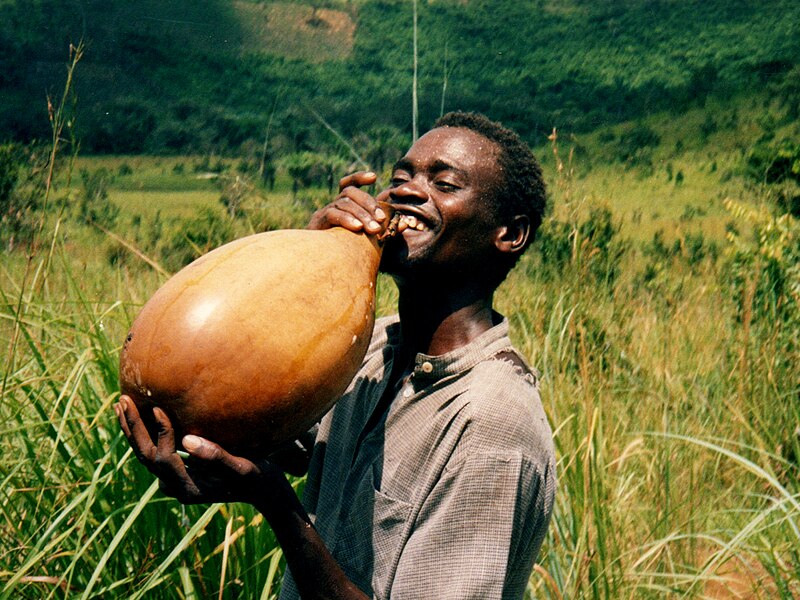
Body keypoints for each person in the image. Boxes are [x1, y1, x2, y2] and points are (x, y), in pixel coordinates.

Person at [116, 111, 556, 599]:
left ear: (510, 233)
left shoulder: (492, 420)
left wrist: (280, 510)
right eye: (400, 177)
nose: (405, 191)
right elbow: (261, 424)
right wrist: (309, 260)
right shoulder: (370, 348)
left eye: (444, 183)